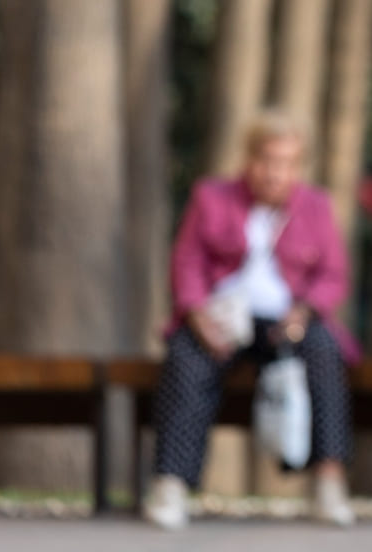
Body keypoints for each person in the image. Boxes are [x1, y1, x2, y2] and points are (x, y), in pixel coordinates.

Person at [143, 110, 357, 530]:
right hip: (224, 316)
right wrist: (197, 312)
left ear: (298, 167)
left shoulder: (316, 206)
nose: (274, 172)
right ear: (248, 159)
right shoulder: (212, 197)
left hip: (287, 319)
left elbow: (333, 274)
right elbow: (187, 261)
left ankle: (329, 481)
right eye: (266, 160)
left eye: (285, 163)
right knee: (187, 359)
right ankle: (170, 483)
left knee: (324, 351)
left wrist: (305, 310)